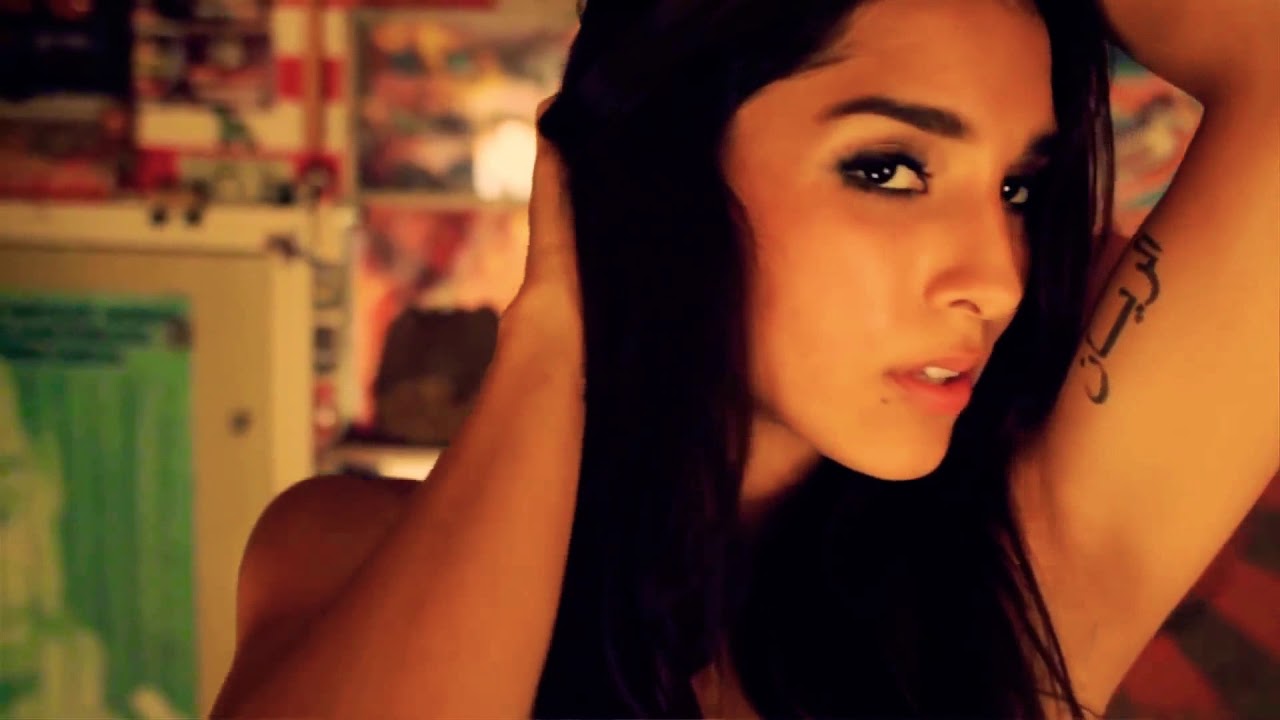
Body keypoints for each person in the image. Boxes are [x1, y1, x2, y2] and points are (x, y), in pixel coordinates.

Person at [209, 0, 1279, 716]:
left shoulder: (1013, 596)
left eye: (1015, 188)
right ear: (663, 176)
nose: (997, 278)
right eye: (889, 170)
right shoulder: (339, 547)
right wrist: (553, 329)